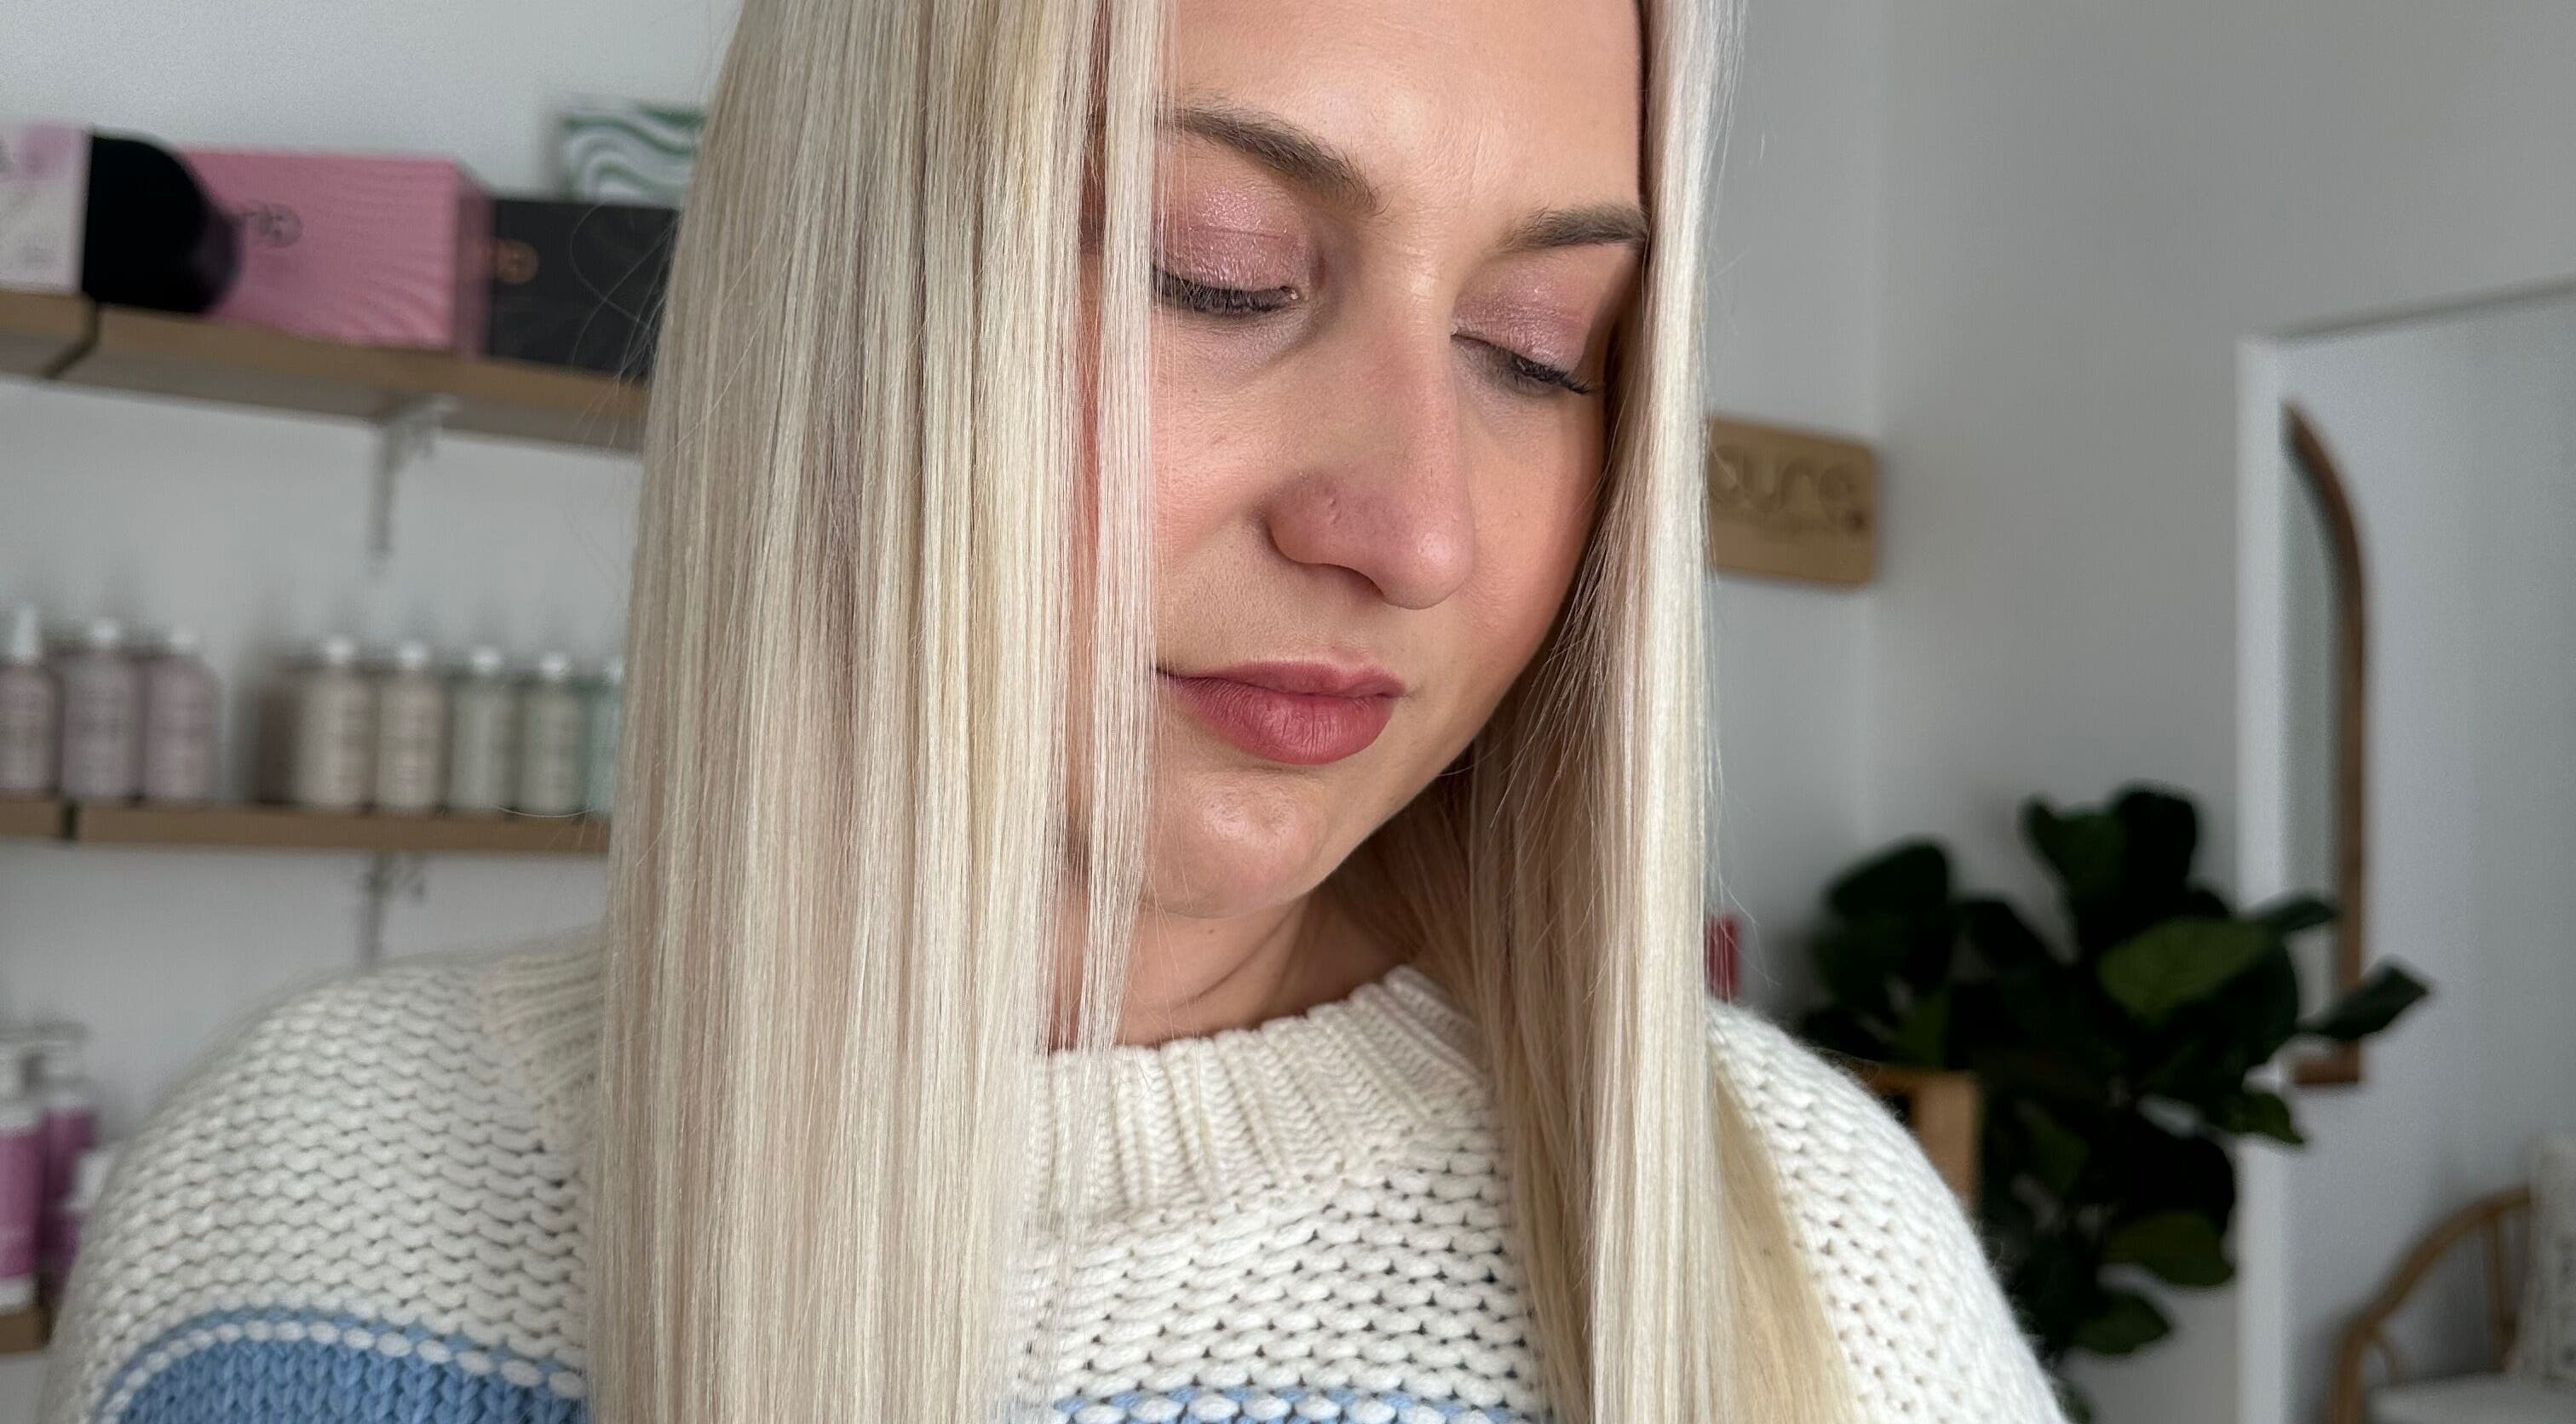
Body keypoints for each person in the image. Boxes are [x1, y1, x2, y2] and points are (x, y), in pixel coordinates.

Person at [44, 0, 2066, 1419]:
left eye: (1541, 349)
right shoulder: (280, 1192)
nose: (1416, 531)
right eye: (1219, 269)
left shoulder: (1799, 1263)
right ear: (840, 306)